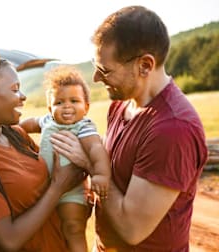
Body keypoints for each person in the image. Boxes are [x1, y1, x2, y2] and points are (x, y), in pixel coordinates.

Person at [50, 5, 208, 251]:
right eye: (96, 65)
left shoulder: (172, 129)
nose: (96, 78)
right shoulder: (121, 105)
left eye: (105, 70)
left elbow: (131, 228)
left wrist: (89, 164)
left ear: (145, 65)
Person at [0, 54, 86, 251]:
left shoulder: (16, 135)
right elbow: (8, 240)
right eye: (15, 89)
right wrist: (58, 188)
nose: (23, 96)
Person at [20, 65, 110, 251]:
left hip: (72, 190)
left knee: (73, 228)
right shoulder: (47, 121)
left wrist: (100, 174)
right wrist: (13, 128)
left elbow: (95, 148)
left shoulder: (83, 127)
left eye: (74, 101)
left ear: (86, 107)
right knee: (49, 229)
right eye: (59, 103)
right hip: (44, 188)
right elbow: (28, 124)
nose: (67, 106)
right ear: (49, 107)